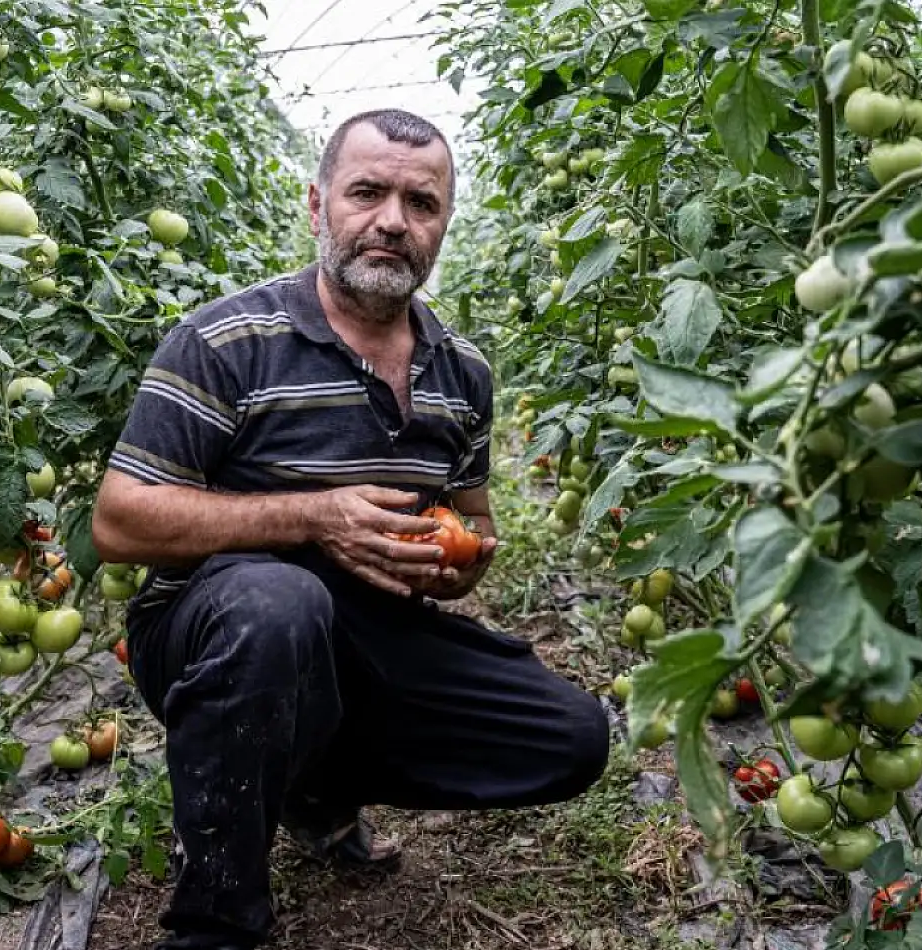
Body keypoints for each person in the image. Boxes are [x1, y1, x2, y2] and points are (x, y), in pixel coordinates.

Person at [91, 108, 610, 950]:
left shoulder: (461, 370)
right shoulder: (227, 341)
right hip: (219, 625)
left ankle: (303, 778)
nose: (392, 222)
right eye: (367, 192)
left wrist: (462, 561)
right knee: (279, 603)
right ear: (318, 204)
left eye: (421, 202)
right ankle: (215, 923)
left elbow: (471, 514)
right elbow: (118, 521)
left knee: (573, 738)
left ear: (442, 224)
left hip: (371, 630)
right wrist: (311, 516)